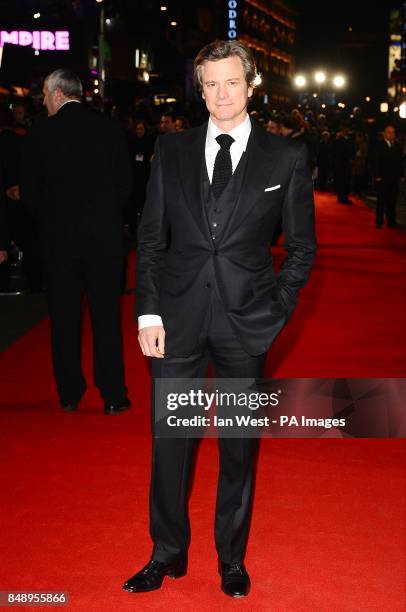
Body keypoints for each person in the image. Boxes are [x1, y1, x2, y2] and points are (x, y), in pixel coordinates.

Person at [124, 40, 316, 598]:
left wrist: (277, 307)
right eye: (211, 84)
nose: (221, 95)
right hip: (176, 321)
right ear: (200, 88)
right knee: (170, 444)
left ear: (251, 85)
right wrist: (148, 312)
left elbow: (302, 247)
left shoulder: (285, 157)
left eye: (232, 82)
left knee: (238, 446)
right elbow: (152, 239)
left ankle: (231, 558)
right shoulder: (172, 149)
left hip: (246, 325)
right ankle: (167, 553)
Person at [21, 69, 133, 415]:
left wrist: (49, 224)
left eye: (43, 94)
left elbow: (30, 193)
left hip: (59, 244)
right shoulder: (110, 128)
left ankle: (69, 394)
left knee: (64, 321)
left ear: (56, 94)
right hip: (105, 242)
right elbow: (127, 187)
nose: (43, 101)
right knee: (107, 320)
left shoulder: (40, 131)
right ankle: (113, 395)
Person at [373, 125, 403, 228]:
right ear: (385, 133)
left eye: (393, 132)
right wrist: (377, 175)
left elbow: (400, 162)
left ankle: (391, 221)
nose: (391, 134)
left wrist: (401, 174)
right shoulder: (379, 145)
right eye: (389, 132)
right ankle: (379, 221)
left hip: (393, 178)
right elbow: (376, 161)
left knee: (392, 201)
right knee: (381, 201)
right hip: (383, 177)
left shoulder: (397, 146)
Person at [332, 123, 355, 204]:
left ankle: (344, 197)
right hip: (342, 163)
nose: (347, 130)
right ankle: (341, 198)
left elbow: (352, 149)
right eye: (345, 129)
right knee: (342, 181)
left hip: (347, 163)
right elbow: (339, 152)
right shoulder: (339, 139)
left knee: (346, 181)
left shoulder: (348, 139)